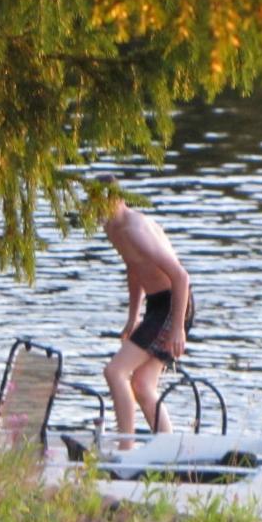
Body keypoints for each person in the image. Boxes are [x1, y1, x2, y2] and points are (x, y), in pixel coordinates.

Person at [100, 180, 194, 445]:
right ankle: (167, 450)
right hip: (155, 304)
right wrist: (133, 317)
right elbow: (134, 269)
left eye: (105, 205)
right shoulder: (112, 228)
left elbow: (180, 276)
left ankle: (125, 448)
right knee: (142, 385)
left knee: (115, 372)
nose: (99, 214)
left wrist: (178, 328)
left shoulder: (135, 228)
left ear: (119, 199)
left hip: (174, 303)